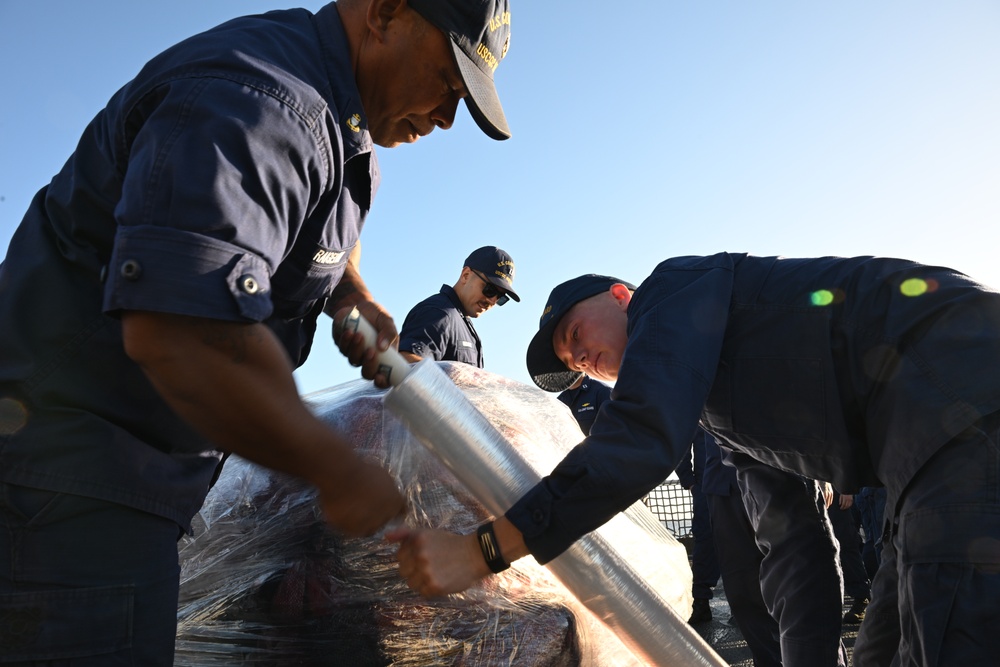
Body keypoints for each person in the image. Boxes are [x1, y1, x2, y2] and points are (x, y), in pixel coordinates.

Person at [0, 0, 513, 663]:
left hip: (138, 483)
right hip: (65, 482)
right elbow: (179, 333)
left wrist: (349, 295)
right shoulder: (257, 101)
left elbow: (322, 232)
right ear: (384, 13)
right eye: (447, 82)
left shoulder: (348, 132)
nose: (447, 117)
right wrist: (337, 471)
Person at [389, 253, 1000, 666]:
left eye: (576, 336)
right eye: (575, 365)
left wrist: (486, 548)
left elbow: (638, 440)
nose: (584, 360)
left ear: (621, 296)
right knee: (878, 648)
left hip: (960, 394)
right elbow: (796, 551)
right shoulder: (728, 422)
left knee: (952, 629)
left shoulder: (675, 290)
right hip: (921, 464)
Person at [397, 246, 520, 367]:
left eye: (500, 297)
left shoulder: (460, 321)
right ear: (466, 275)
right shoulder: (439, 313)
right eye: (490, 289)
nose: (492, 301)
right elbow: (405, 362)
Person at [828, 490, 872, 624]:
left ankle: (861, 597)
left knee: (845, 544)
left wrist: (846, 490)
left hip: (835, 489)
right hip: (811, 483)